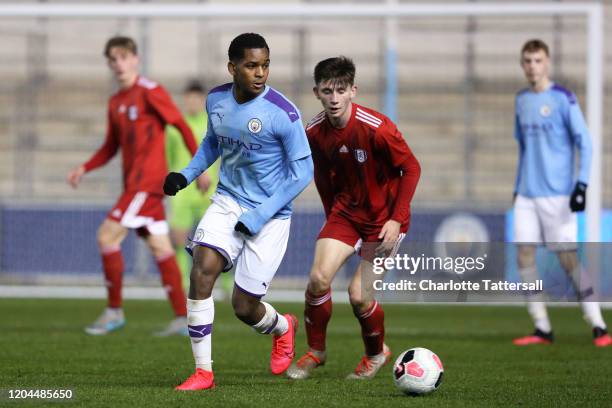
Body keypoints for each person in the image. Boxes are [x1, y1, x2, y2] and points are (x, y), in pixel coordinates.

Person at [163, 33, 314, 391]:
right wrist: (186, 174)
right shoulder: (216, 99)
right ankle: (204, 372)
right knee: (202, 270)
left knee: (244, 307)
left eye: (265, 65)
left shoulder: (283, 112)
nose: (260, 73)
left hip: (271, 214)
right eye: (251, 65)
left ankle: (284, 328)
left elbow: (303, 172)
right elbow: (213, 143)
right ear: (233, 68)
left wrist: (260, 215)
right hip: (228, 201)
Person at [286, 56, 421, 380]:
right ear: (316, 91)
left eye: (340, 90)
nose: (334, 98)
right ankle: (316, 352)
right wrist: (331, 214)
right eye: (327, 91)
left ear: (353, 91)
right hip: (346, 214)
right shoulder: (314, 132)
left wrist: (397, 219)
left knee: (360, 296)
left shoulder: (378, 129)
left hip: (384, 220)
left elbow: (412, 168)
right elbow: (320, 175)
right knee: (318, 279)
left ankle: (376, 354)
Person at [67, 36, 202, 337]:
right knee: (161, 247)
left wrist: (198, 167)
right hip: (136, 186)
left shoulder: (150, 92)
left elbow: (180, 124)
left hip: (146, 185)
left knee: (107, 236)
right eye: (113, 59)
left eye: (123, 57)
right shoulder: (116, 102)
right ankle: (184, 317)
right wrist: (84, 168)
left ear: (135, 59)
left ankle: (114, 311)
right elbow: (110, 146)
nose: (118, 64)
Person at [511, 39, 611, 347]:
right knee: (524, 255)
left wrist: (581, 185)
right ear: (522, 64)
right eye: (527, 61)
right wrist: (517, 189)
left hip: (559, 196)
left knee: (567, 259)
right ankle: (542, 328)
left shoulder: (563, 98)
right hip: (527, 194)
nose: (532, 66)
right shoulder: (521, 100)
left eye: (537, 60)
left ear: (548, 63)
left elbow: (586, 142)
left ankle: (598, 325)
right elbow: (524, 150)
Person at [165, 80, 219, 289]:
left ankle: (225, 285)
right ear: (185, 100)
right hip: (183, 195)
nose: (193, 102)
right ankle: (182, 287)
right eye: (190, 98)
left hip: (209, 192)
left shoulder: (212, 124)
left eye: (197, 98)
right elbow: (168, 158)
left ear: (203, 100)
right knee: (179, 241)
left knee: (216, 242)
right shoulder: (174, 127)